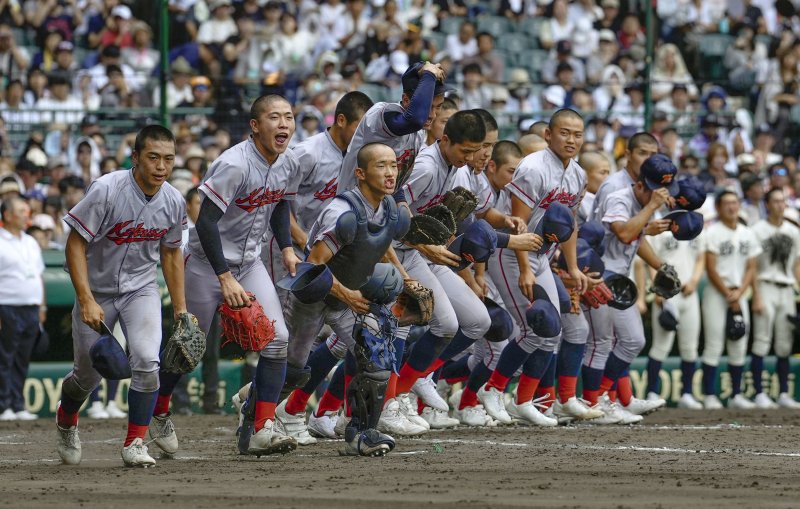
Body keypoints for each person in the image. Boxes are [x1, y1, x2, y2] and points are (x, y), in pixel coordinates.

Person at [158, 94, 301, 457]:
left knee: (278, 339)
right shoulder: (234, 164)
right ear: (255, 126)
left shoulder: (288, 162)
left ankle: (260, 427)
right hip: (207, 265)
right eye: (274, 117)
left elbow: (280, 204)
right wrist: (224, 277)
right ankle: (158, 411)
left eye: (288, 117)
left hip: (249, 263)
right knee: (187, 348)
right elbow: (205, 222)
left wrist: (286, 247)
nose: (283, 124)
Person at [55, 125, 188, 467]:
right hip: (96, 290)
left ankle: (135, 443)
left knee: (147, 361)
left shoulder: (173, 200)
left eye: (168, 159)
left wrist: (182, 309)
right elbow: (75, 242)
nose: (161, 166)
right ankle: (67, 419)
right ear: (135, 157)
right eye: (153, 157)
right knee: (86, 376)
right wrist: (85, 298)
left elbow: (171, 254)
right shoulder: (107, 189)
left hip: (140, 289)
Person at [277, 142, 410, 456]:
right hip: (313, 295)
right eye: (381, 166)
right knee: (293, 369)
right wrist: (347, 294)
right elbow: (314, 264)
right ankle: (256, 414)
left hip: (350, 297)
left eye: (393, 165)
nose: (390, 172)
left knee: (377, 354)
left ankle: (361, 435)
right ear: (361, 173)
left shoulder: (391, 209)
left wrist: (406, 280)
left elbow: (378, 245)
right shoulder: (343, 213)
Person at [479, 109, 590, 425]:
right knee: (533, 328)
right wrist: (526, 268)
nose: (571, 139)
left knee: (551, 331)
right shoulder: (533, 168)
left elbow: (568, 225)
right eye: (564, 132)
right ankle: (492, 389)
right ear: (549, 135)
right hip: (513, 254)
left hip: (542, 256)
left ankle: (524, 401)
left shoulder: (578, 174)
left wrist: (573, 267)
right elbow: (519, 223)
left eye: (577, 134)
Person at [583, 155, 678, 421]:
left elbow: (635, 239)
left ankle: (601, 399)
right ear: (641, 185)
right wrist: (650, 211)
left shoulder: (641, 201)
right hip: (599, 274)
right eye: (656, 191)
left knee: (631, 340)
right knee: (600, 343)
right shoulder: (620, 197)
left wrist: (659, 266)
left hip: (617, 276)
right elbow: (625, 232)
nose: (662, 197)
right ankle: (594, 403)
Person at [337, 61, 446, 195]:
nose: (432, 115)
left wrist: (401, 204)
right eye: (428, 106)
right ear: (406, 100)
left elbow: (397, 179)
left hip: (379, 210)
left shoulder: (418, 134)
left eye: (439, 106)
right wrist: (429, 74)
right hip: (351, 205)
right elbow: (415, 119)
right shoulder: (381, 115)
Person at [701, 191, 761, 410]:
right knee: (714, 342)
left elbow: (751, 267)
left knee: (739, 343)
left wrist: (740, 292)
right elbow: (711, 267)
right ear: (717, 208)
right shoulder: (713, 232)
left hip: (740, 293)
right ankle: (709, 395)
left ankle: (736, 394)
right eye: (726, 204)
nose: (732, 207)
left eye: (735, 203)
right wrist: (729, 293)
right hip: (717, 293)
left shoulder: (748, 233)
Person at [750, 188, 800, 409]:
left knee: (784, 343)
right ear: (767, 204)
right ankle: (759, 393)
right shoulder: (757, 230)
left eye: (783, 201)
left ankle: (783, 394)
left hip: (787, 288)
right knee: (762, 339)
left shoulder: (793, 231)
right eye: (776, 201)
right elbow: (751, 266)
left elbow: (797, 264)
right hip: (765, 285)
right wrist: (757, 296)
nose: (781, 205)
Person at [646, 227, 706, 409]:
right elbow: (650, 260)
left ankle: (687, 394)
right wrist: (658, 287)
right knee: (660, 345)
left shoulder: (696, 229)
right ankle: (652, 393)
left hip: (689, 292)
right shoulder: (662, 228)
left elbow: (700, 258)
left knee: (690, 347)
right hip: (667, 293)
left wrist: (695, 280)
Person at [0, 197, 45, 422]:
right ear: (7, 215)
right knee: (4, 357)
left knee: (22, 358)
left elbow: (38, 275)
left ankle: (18, 404)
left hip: (31, 307)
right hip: (6, 306)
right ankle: (3, 405)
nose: (26, 214)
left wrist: (42, 306)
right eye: (21, 211)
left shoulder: (30, 242)